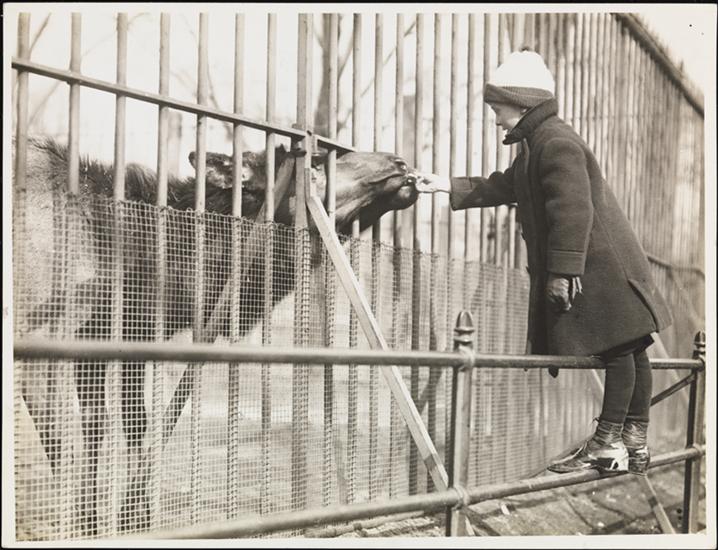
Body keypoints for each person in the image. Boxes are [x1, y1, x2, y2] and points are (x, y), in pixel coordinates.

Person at [416, 50, 672, 475]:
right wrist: (445, 184)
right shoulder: (542, 143)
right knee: (632, 347)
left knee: (621, 350)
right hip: (605, 265)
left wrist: (563, 272)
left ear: (522, 104)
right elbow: (509, 185)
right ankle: (633, 442)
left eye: (498, 109)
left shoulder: (556, 143)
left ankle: (608, 443)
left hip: (598, 267)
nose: (496, 120)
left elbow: (572, 211)